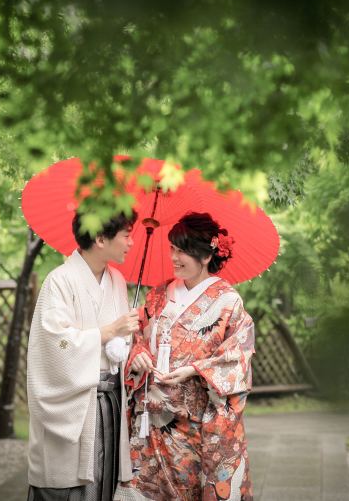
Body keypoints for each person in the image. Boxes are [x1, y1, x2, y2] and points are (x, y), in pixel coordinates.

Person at [115, 212, 255, 501]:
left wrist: (194, 369)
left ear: (206, 256)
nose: (174, 258)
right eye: (172, 249)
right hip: (147, 422)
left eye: (183, 251)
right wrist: (138, 354)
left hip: (191, 427)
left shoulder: (228, 302)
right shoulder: (158, 295)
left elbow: (238, 358)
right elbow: (136, 337)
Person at [27, 211, 140, 501]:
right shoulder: (59, 281)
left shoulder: (116, 280)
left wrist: (129, 349)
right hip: (75, 404)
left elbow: (121, 342)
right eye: (126, 235)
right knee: (67, 488)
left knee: (104, 482)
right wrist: (108, 331)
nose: (131, 242)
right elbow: (55, 345)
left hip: (109, 402)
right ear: (100, 239)